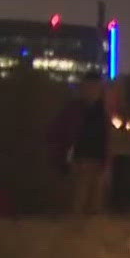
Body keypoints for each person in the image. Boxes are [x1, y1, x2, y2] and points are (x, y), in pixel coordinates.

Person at [49, 76, 112, 213]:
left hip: (98, 160)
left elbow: (106, 137)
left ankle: (88, 229)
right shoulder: (75, 110)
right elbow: (60, 131)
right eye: (90, 88)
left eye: (96, 88)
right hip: (80, 159)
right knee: (79, 198)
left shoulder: (102, 110)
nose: (93, 91)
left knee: (95, 201)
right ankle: (76, 228)